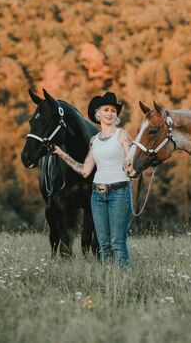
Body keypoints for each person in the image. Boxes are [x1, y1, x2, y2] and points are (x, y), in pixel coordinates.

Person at [51, 92, 134, 267]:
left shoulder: (123, 135)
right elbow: (85, 170)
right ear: (98, 113)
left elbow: (131, 162)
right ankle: (107, 280)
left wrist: (132, 167)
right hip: (97, 195)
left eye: (113, 110)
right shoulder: (94, 140)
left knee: (117, 244)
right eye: (106, 110)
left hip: (119, 193)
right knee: (102, 245)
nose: (110, 113)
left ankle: (123, 282)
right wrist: (62, 155)